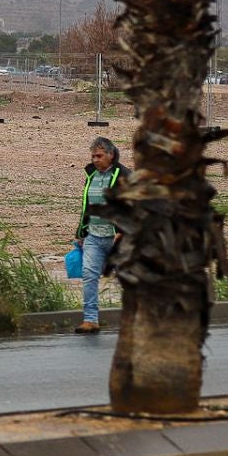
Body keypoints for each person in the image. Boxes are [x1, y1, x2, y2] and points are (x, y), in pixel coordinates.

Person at [75, 136, 130, 333]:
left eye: (99, 156)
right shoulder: (91, 176)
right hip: (94, 237)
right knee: (89, 274)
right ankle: (90, 319)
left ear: (111, 154)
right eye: (93, 156)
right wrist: (81, 232)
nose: (95, 160)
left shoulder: (124, 176)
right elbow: (86, 206)